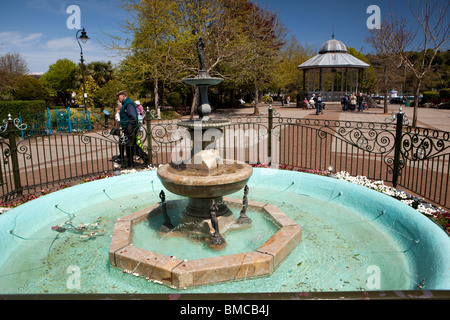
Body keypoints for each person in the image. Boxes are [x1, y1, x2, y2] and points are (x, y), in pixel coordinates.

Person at [116, 90, 140, 168]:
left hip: (130, 128)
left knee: (131, 145)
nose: (118, 98)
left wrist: (129, 126)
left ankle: (131, 162)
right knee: (131, 145)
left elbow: (133, 116)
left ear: (123, 96)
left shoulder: (128, 103)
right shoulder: (125, 103)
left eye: (119, 96)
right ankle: (131, 162)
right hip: (128, 127)